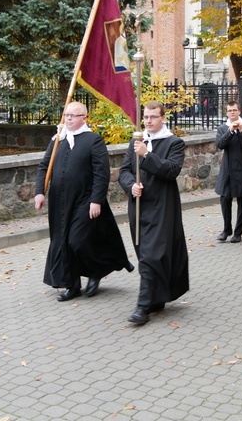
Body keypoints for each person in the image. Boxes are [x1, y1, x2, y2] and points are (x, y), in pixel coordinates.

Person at [34, 102, 133, 302]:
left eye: (73, 115)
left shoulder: (93, 141)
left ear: (84, 118)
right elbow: (44, 167)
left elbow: (101, 173)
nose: (68, 119)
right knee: (61, 242)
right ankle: (72, 286)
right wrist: (39, 192)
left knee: (76, 241)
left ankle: (96, 271)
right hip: (59, 202)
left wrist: (96, 200)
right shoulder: (57, 140)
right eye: (66, 115)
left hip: (84, 200)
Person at [119, 101, 189, 325]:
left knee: (152, 255)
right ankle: (155, 297)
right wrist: (131, 185)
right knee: (143, 252)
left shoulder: (174, 143)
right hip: (139, 206)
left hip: (162, 207)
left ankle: (142, 307)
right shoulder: (135, 141)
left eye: (153, 117)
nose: (148, 121)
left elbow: (171, 171)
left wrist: (147, 155)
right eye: (146, 117)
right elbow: (123, 172)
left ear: (163, 118)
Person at [215, 101, 242, 243]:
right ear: (227, 113)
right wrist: (230, 131)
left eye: (234, 110)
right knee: (225, 199)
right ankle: (227, 229)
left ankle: (238, 232)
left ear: (239, 112)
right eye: (229, 111)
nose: (232, 112)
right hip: (227, 171)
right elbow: (220, 144)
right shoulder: (222, 128)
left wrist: (241, 132)